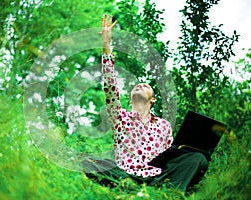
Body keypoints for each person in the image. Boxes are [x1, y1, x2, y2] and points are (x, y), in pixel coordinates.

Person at [83, 14, 208, 192]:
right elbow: (110, 85)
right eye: (136, 86)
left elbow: (169, 157)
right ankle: (134, 189)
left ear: (152, 100)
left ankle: (166, 191)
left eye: (145, 86)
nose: (139, 85)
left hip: (157, 176)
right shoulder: (120, 118)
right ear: (130, 98)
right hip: (126, 174)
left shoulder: (164, 126)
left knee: (198, 159)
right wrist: (106, 44)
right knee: (90, 163)